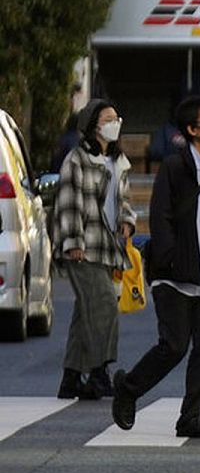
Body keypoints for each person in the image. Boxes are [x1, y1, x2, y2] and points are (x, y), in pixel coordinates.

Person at [112, 95, 200, 439]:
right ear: (192, 129)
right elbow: (161, 216)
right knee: (174, 345)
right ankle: (129, 388)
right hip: (174, 274)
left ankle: (191, 416)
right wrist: (168, 258)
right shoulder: (175, 167)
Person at [54, 100, 138, 400]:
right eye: (108, 118)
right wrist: (73, 241)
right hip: (84, 246)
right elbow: (68, 202)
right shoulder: (76, 159)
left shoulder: (117, 160)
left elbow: (124, 200)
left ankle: (72, 377)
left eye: (117, 117)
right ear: (92, 126)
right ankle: (99, 372)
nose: (115, 122)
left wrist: (128, 222)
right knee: (103, 305)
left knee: (86, 310)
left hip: (108, 246)